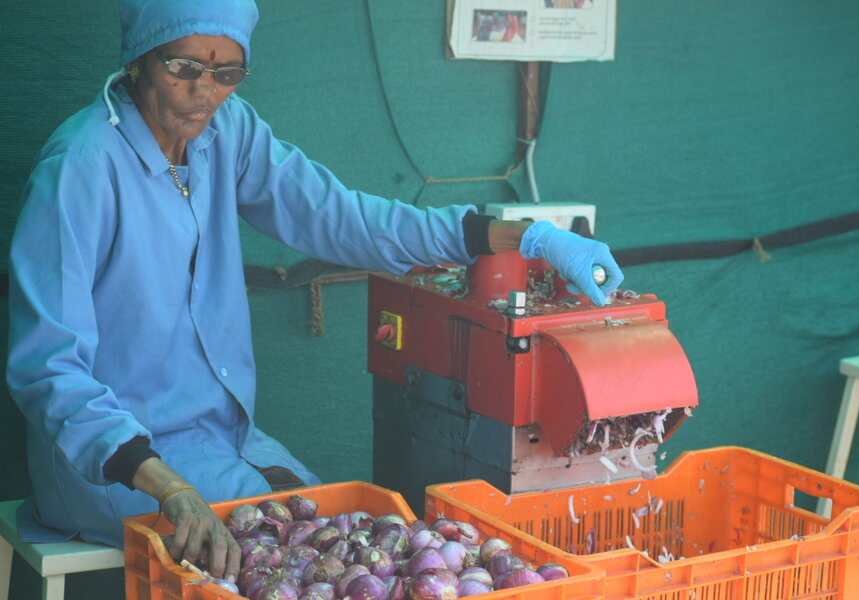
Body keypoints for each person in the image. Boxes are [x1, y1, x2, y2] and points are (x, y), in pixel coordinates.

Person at [6, 0, 623, 583]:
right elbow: (48, 369)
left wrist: (523, 236)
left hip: (219, 439)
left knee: (345, 538)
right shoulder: (80, 169)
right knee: (274, 548)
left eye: (227, 74)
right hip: (114, 462)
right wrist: (169, 487)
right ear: (139, 56)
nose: (204, 94)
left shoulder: (228, 133)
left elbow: (348, 219)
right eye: (184, 68)